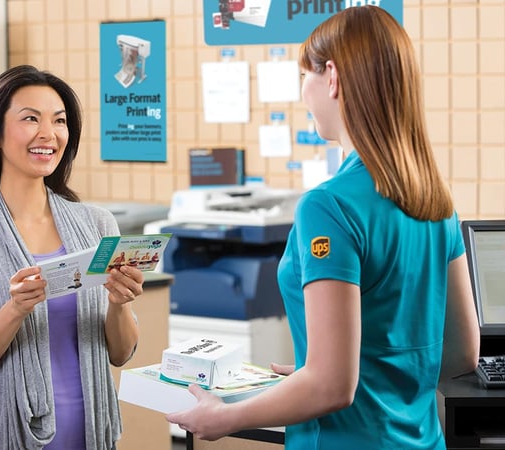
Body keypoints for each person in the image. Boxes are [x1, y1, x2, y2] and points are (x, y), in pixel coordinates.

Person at [166, 6, 480, 449]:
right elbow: (463, 353)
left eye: (305, 76)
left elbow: (333, 387)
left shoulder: (328, 205)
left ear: (331, 76)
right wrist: (324, 368)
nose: (303, 94)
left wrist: (223, 416)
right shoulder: (435, 200)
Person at [0, 65, 144, 450]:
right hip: (3, 437)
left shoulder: (97, 224)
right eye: (31, 119)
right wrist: (14, 310)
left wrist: (118, 303)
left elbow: (120, 353)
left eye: (59, 121)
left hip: (91, 434)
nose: (48, 134)